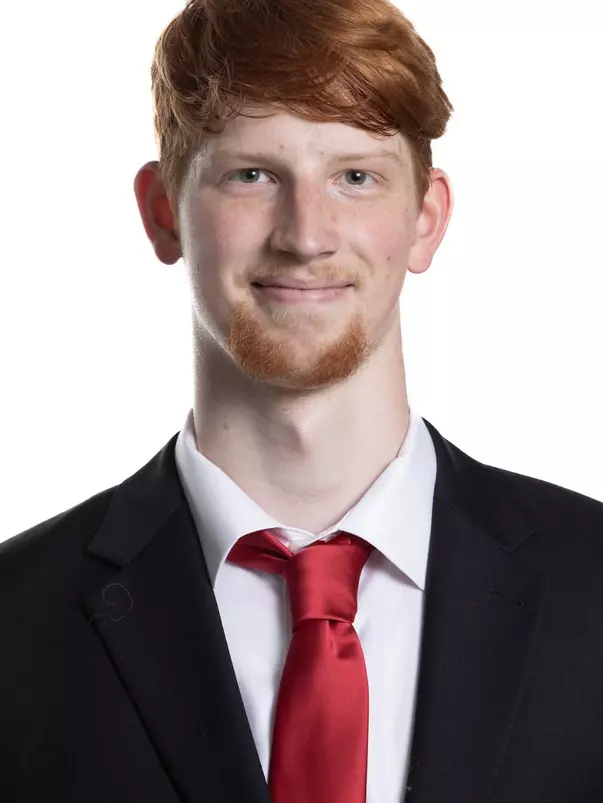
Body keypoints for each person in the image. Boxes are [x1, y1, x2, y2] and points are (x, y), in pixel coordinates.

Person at [2, 0, 603, 801]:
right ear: (161, 212)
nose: (306, 234)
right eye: (251, 174)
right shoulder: (14, 623)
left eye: (355, 177)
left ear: (425, 220)